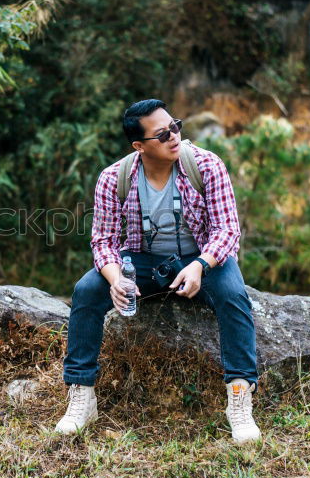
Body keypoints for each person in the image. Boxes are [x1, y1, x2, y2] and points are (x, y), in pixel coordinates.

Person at [55, 99, 261, 443]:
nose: (173, 137)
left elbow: (227, 230)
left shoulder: (207, 166)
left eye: (175, 126)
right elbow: (103, 240)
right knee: (87, 291)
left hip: (204, 258)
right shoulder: (114, 178)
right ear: (139, 146)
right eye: (162, 134)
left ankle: (239, 400)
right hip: (144, 261)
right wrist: (116, 279)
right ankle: (81, 396)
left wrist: (199, 266)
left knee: (234, 295)